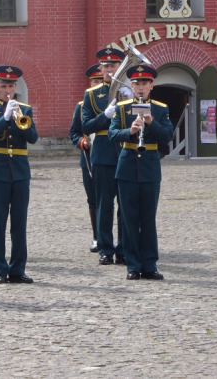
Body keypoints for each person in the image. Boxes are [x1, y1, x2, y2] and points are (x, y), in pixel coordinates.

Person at [109, 65, 173, 280]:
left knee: (148, 219)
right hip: (127, 168)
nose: (140, 87)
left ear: (152, 85)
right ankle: (133, 265)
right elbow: (112, 134)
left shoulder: (160, 109)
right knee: (129, 218)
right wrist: (131, 131)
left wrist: (150, 122)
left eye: (144, 83)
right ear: (132, 86)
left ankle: (149, 265)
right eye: (136, 83)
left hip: (150, 169)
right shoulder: (122, 108)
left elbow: (167, 135)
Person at [0, 65, 38, 284]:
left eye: (11, 86)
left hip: (20, 170)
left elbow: (33, 138)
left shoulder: (25, 109)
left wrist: (20, 119)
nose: (7, 90)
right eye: (3, 86)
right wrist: (4, 118)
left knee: (19, 222)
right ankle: (0, 269)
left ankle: (18, 269)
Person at [82, 48, 132, 266]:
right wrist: (106, 115)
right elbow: (86, 125)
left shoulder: (130, 92)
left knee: (126, 204)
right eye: (107, 66)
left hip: (126, 151)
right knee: (104, 204)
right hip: (102, 153)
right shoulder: (92, 95)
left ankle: (124, 248)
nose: (110, 70)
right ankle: (105, 248)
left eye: (114, 66)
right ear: (101, 69)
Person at [69, 64, 104, 253]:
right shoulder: (82, 105)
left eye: (101, 80)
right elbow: (74, 132)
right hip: (89, 157)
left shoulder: (113, 103)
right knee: (93, 199)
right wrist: (82, 141)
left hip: (111, 156)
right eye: (95, 81)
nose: (98, 84)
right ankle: (97, 237)